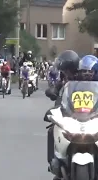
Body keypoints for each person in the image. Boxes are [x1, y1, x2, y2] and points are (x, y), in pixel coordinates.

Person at [43, 50, 80, 180]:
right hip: (67, 113)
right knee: (52, 129)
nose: (66, 73)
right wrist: (53, 90)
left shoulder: (85, 78)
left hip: (85, 113)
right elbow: (57, 88)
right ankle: (55, 162)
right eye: (64, 70)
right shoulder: (64, 79)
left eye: (67, 70)